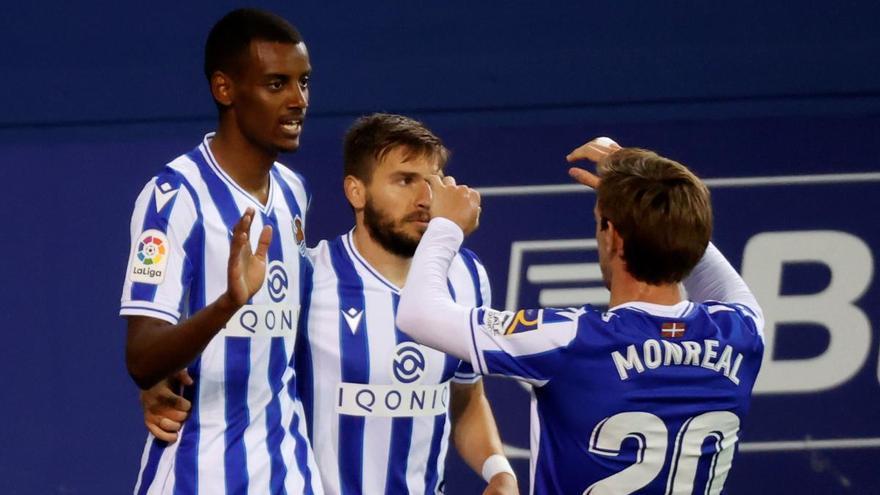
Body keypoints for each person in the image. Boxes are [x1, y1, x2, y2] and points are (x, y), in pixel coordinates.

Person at [142, 114, 519, 494]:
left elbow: (467, 398)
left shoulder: (467, 276)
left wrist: (499, 470)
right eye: (405, 180)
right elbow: (236, 358)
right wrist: (158, 382)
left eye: (433, 181)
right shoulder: (309, 276)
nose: (425, 199)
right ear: (356, 191)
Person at [396, 138, 765, 494]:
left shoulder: (572, 340)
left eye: (598, 223)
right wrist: (645, 197)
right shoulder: (742, 331)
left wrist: (445, 226)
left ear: (613, 237)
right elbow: (700, 254)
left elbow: (418, 314)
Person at [120, 9, 322, 494]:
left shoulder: (294, 192)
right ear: (224, 89)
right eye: (277, 84)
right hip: (199, 472)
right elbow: (143, 360)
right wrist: (228, 305)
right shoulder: (175, 198)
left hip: (289, 470)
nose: (298, 101)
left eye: (304, 83)